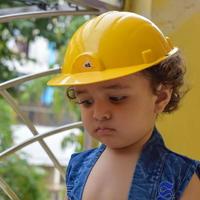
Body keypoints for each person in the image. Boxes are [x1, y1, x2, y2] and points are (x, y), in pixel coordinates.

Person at [48, 11, 200, 199]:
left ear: (160, 97)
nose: (99, 113)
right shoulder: (78, 168)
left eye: (116, 98)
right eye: (86, 101)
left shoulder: (179, 178)